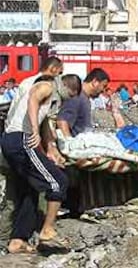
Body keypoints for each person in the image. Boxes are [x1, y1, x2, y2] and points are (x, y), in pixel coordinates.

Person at [1, 74, 82, 254]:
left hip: (15, 140)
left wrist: (51, 152)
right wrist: (34, 132)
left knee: (30, 189)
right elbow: (33, 100)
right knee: (58, 181)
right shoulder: (47, 86)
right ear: (71, 90)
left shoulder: (53, 101)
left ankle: (17, 240)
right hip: (21, 138)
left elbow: (45, 126)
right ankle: (47, 229)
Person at [57, 68, 110, 137]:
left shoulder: (84, 98)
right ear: (95, 82)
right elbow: (62, 121)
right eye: (103, 86)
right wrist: (69, 144)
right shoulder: (77, 97)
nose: (103, 90)